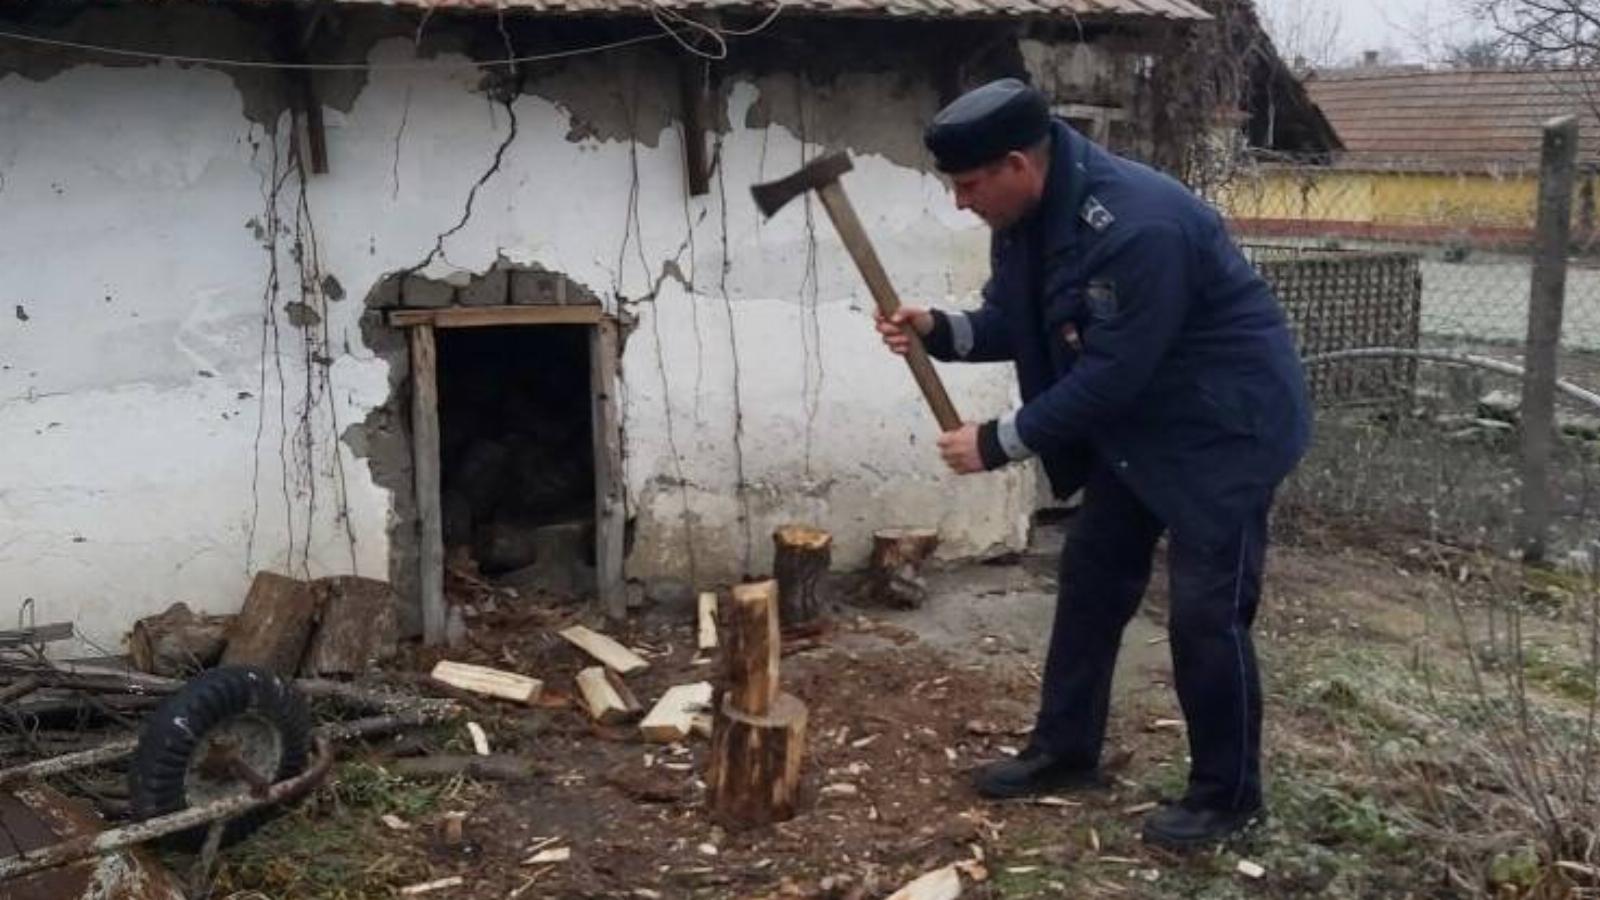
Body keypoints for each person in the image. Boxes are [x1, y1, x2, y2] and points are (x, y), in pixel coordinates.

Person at [876, 78, 1311, 849]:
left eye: (970, 185)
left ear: (1017, 163)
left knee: (1206, 616)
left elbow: (1112, 372)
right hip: (1140, 430)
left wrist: (999, 440)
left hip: (1223, 433)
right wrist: (940, 329)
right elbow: (1019, 317)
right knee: (1091, 583)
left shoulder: (1141, 226)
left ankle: (1228, 798)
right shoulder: (1027, 217)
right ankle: (1066, 750)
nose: (960, 202)